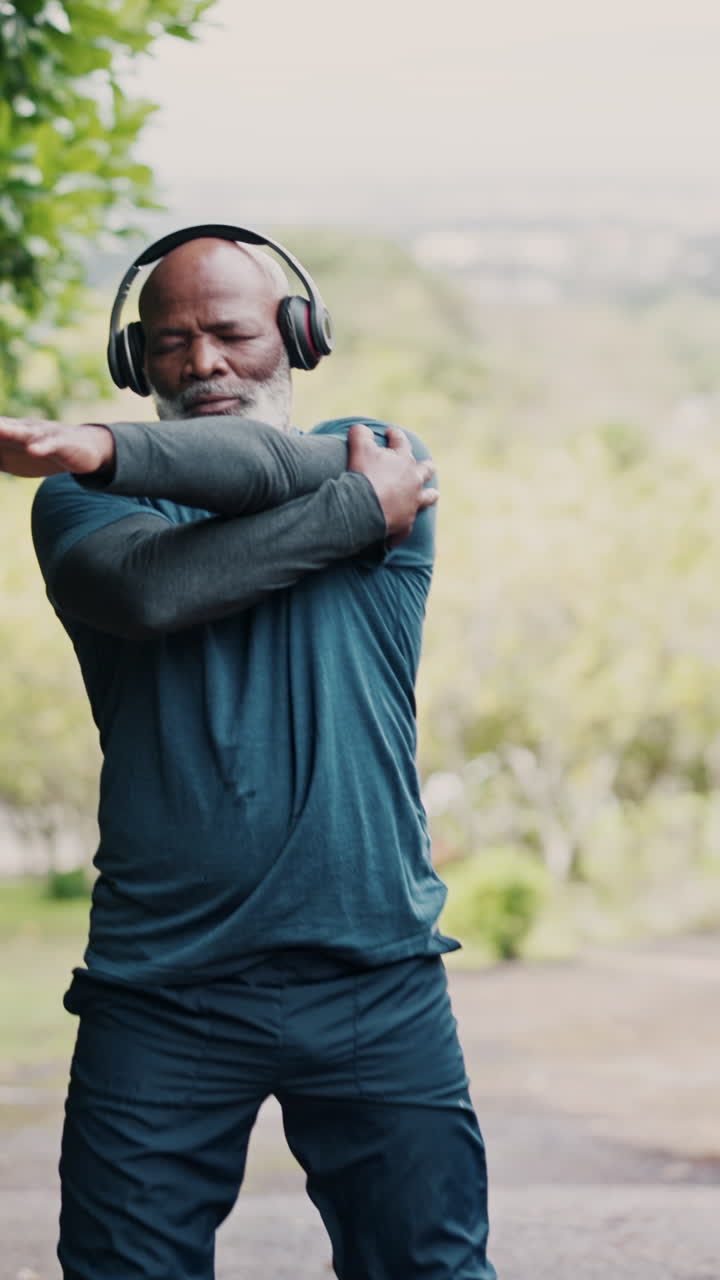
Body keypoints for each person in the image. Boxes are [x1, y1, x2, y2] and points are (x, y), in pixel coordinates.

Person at [0, 229, 495, 1280]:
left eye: (231, 332)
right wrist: (355, 511)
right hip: (160, 991)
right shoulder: (81, 500)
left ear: (298, 337)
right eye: (170, 342)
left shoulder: (378, 452)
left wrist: (96, 440)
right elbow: (151, 591)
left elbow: (276, 466)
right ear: (136, 360)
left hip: (375, 976)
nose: (204, 363)